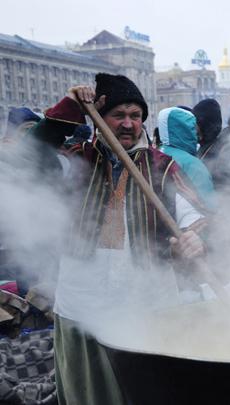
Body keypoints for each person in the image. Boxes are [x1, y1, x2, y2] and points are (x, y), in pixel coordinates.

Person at [33, 73, 207, 405]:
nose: (128, 123)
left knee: (149, 390)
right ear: (101, 119)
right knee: (94, 393)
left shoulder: (161, 165)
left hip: (150, 303)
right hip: (85, 303)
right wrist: (71, 107)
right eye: (118, 115)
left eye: (135, 115)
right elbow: (30, 155)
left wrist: (194, 239)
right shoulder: (76, 159)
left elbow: (194, 217)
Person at [158, 106, 216, 211]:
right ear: (187, 129)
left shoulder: (156, 155)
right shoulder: (192, 164)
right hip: (192, 223)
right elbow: (208, 204)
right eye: (193, 127)